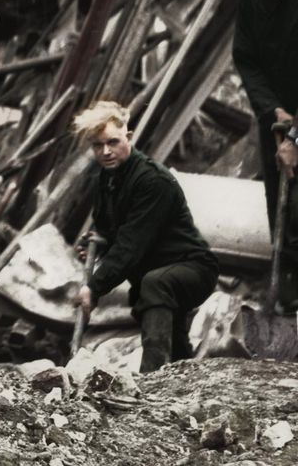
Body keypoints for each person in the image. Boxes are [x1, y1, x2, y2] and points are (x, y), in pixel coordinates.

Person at [71, 101, 218, 373]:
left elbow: (131, 244)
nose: (105, 151)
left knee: (153, 285)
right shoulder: (108, 178)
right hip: (155, 274)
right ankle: (181, 377)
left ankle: (152, 379)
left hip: (192, 268)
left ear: (128, 137)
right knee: (170, 333)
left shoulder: (152, 181)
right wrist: (96, 242)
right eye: (97, 145)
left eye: (113, 142)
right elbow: (107, 227)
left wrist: (94, 287)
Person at [232, 0, 298, 313]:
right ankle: (288, 302)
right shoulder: (248, 0)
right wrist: (274, 115)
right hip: (272, 116)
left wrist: (294, 136)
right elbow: (246, 60)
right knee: (281, 204)